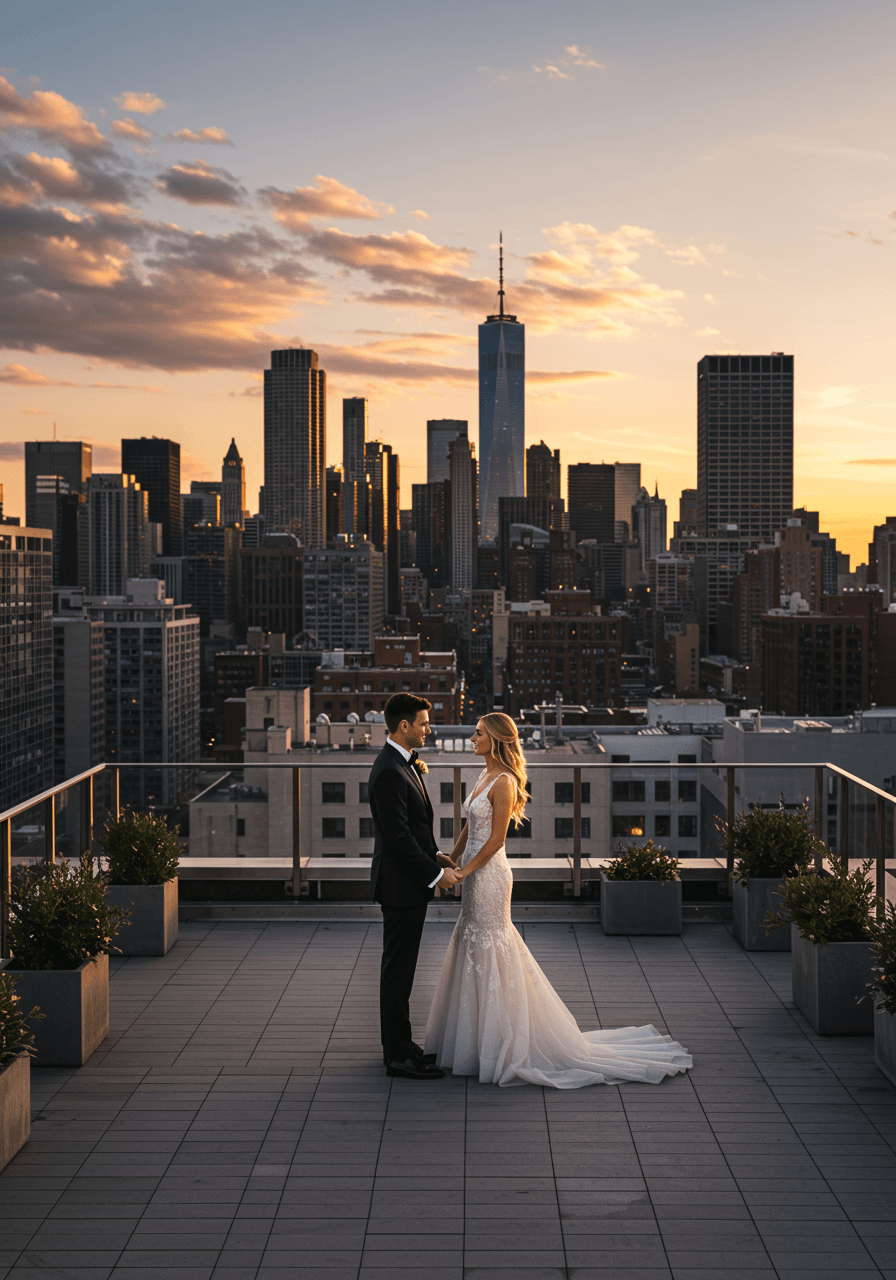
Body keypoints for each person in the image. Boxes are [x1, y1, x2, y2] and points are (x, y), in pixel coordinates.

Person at [425, 712, 693, 1088]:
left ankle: (497, 1041)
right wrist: (452, 860)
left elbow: (497, 839)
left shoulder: (503, 781)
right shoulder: (483, 774)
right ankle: (474, 1041)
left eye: (479, 734)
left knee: (490, 945)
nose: (472, 738)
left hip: (489, 878)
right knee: (471, 941)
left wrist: (465, 873)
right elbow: (470, 826)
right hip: (472, 875)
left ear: (497, 739)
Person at [368, 693, 460, 1080]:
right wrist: (438, 876)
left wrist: (436, 854)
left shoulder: (400, 764)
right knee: (398, 972)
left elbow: (412, 830)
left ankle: (402, 1047)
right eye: (423, 723)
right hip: (400, 886)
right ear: (403, 726)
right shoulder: (390, 769)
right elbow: (399, 837)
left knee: (400, 971)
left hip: (406, 883)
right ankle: (398, 1059)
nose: (428, 729)